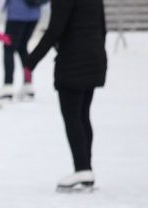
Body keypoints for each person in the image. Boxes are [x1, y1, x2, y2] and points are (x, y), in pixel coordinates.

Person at [26, 0, 107, 192]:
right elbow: (103, 28)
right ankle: (86, 168)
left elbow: (55, 30)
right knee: (83, 116)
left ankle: (82, 168)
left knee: (72, 118)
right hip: (93, 58)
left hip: (72, 62)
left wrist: (31, 60)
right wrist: (93, 50)